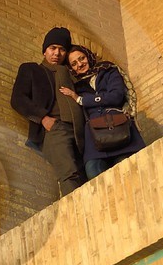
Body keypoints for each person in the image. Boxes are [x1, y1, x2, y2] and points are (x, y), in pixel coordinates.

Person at [11, 26, 86, 197]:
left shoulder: (71, 74)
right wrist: (43, 118)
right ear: (45, 50)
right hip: (56, 129)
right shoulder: (32, 70)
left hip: (80, 131)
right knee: (69, 173)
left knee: (86, 174)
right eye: (53, 48)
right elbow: (18, 99)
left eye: (62, 49)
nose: (57, 53)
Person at [60, 44, 144, 180]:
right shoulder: (76, 87)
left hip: (119, 130)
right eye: (74, 64)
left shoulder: (109, 70)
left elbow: (116, 96)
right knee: (94, 175)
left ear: (88, 56)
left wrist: (82, 100)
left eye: (81, 58)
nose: (80, 64)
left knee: (130, 174)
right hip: (95, 139)